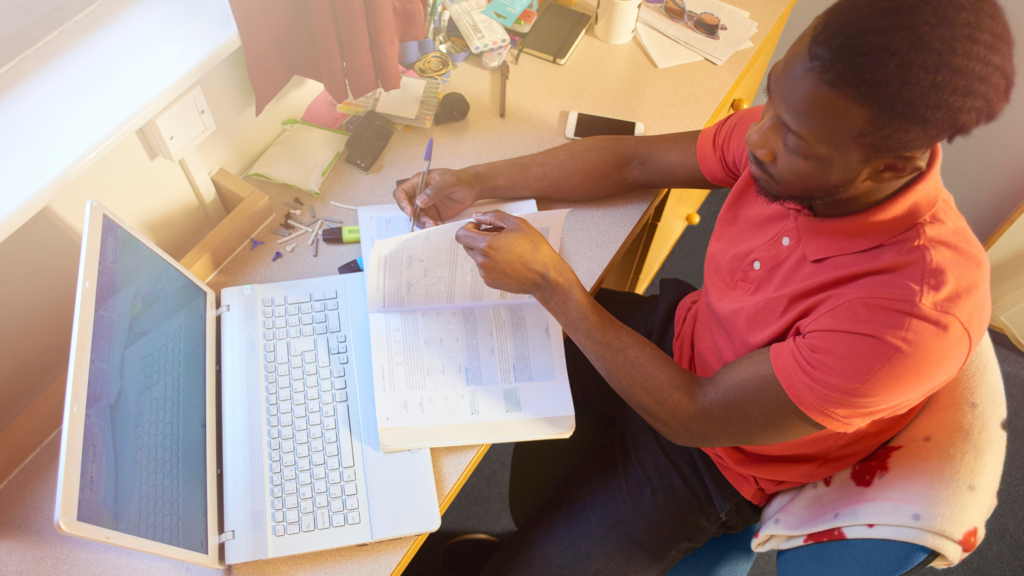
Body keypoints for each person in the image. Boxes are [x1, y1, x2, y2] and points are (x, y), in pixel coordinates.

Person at [392, 0, 1015, 574]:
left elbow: (695, 416)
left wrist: (553, 283)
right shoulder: (804, 134)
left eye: (791, 138)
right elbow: (634, 161)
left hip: (718, 459)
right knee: (437, 338)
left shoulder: (908, 318)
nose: (758, 139)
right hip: (679, 336)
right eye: (772, 104)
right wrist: (476, 179)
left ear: (890, 167)